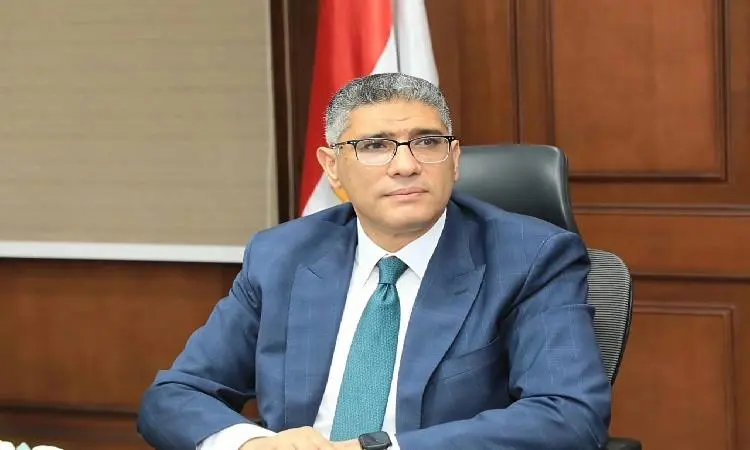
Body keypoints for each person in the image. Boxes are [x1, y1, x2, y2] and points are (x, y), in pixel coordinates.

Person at [137, 73, 611, 450]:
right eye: (375, 146)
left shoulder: (530, 257)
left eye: (427, 142)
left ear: (454, 159)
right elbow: (175, 396)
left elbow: (569, 415)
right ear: (332, 167)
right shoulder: (282, 255)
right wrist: (254, 444)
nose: (405, 165)